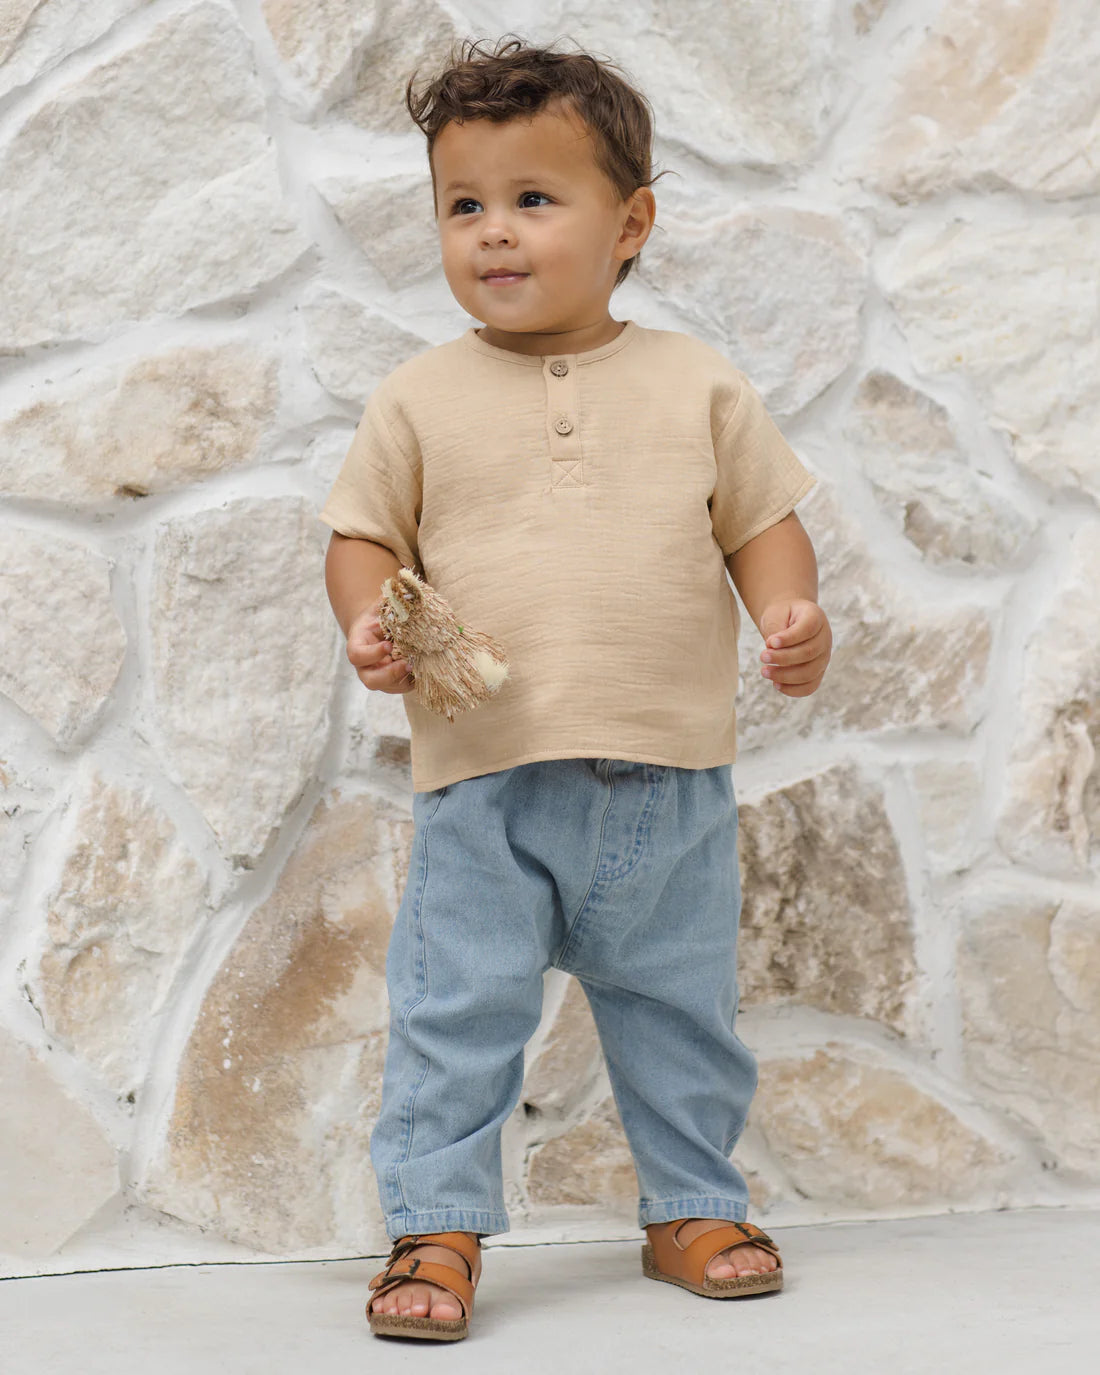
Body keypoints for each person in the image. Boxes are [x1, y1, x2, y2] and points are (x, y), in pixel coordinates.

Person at [320, 34, 832, 1342]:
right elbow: (362, 539)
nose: (493, 231)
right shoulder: (418, 399)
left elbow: (761, 524)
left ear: (631, 225)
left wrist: (791, 610)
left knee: (682, 1012)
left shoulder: (697, 385)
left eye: (534, 198)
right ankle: (437, 1222)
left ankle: (693, 1204)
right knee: (457, 1013)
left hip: (670, 778)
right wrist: (369, 622)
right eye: (464, 204)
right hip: (485, 782)